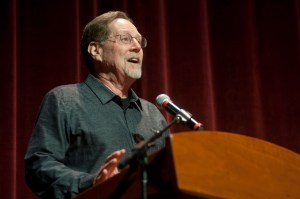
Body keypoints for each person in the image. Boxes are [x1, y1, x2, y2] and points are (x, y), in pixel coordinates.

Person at [24, 11, 169, 199]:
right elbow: (39, 166)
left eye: (139, 41)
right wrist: (92, 183)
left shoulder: (153, 114)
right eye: (125, 39)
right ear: (96, 50)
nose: (136, 47)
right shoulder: (64, 100)